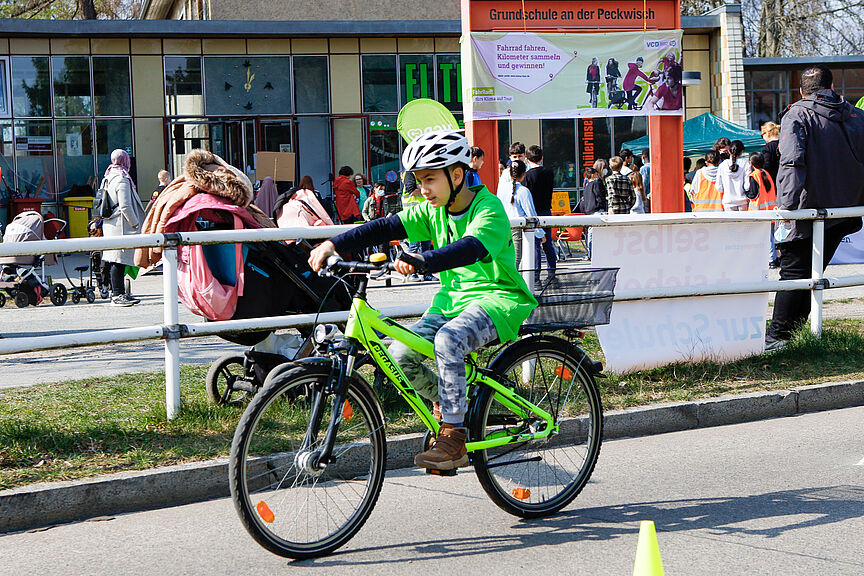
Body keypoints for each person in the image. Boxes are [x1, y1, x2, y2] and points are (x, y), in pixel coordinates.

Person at [308, 130, 537, 471]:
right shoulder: (433, 210)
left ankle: (454, 436)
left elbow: (470, 248)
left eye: (430, 179)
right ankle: (450, 403)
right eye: (419, 180)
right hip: (450, 302)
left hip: (497, 299)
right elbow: (385, 226)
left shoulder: (488, 208)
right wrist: (333, 244)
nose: (423, 189)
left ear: (456, 175)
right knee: (398, 355)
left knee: (449, 339)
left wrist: (424, 261)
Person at [766, 64, 864, 350]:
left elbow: (792, 162)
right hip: (845, 211)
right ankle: (795, 334)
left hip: (807, 208)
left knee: (793, 272)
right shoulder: (858, 116)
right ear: (831, 87)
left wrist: (787, 211)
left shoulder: (796, 113)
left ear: (801, 91)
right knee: (812, 273)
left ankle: (778, 337)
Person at [100, 149, 145, 307]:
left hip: (112, 224)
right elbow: (125, 205)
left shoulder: (108, 176)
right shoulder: (122, 178)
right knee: (118, 261)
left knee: (116, 260)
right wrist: (135, 223)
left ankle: (119, 293)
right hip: (122, 225)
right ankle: (117, 295)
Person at [497, 160, 544, 268]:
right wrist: (540, 233)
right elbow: (531, 213)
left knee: (505, 259)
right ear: (524, 174)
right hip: (518, 229)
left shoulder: (501, 189)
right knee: (516, 260)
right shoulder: (524, 191)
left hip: (503, 227)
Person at [523, 145, 557, 280]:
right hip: (546, 210)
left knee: (535, 244)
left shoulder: (528, 176)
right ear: (541, 158)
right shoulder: (549, 173)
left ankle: (536, 274)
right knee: (548, 242)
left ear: (526, 159)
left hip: (533, 211)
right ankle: (552, 272)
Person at [744, 152, 779, 267]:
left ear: (751, 163)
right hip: (771, 209)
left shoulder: (754, 175)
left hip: (760, 211)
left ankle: (771, 259)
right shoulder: (766, 174)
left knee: (766, 237)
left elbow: (753, 194)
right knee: (772, 236)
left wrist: (746, 193)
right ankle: (774, 257)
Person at [716, 140, 750, 211]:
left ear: (729, 151)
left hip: (728, 202)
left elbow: (719, 187)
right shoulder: (746, 164)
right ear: (742, 151)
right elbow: (747, 186)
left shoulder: (722, 166)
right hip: (742, 201)